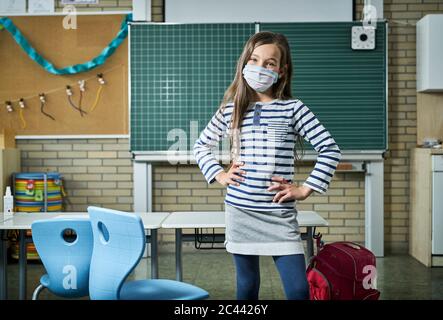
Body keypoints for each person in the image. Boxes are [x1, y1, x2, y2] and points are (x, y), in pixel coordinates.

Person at [193, 31, 341, 300]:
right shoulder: (231, 109)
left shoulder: (294, 109)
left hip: (278, 214)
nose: (260, 68)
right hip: (240, 210)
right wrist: (219, 173)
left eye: (270, 63)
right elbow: (200, 146)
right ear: (244, 64)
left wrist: (305, 188)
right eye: (254, 60)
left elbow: (330, 149)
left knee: (297, 290)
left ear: (281, 71)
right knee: (247, 285)